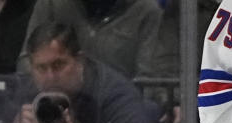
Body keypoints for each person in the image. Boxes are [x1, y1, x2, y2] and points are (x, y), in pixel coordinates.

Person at [13, 21, 174, 123]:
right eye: (41, 68)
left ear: (80, 61)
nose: (50, 77)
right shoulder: (26, 90)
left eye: (59, 65)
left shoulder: (115, 93)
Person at [18, 0, 162, 81]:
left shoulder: (146, 11)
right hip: (57, 104)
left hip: (119, 111)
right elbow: (26, 62)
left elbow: (148, 82)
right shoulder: (51, 4)